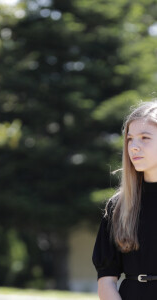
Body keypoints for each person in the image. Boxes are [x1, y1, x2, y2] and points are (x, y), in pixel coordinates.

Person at [92, 100, 157, 299]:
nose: (134, 147)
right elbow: (106, 280)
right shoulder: (118, 207)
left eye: (144, 137)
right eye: (130, 139)